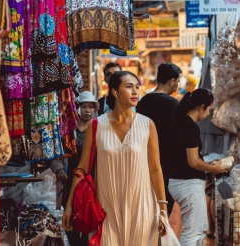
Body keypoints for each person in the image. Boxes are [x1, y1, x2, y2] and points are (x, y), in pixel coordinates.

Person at [63, 71, 168, 245]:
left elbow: (156, 169)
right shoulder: (96, 125)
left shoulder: (147, 125)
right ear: (114, 91)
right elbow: (82, 168)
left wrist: (163, 209)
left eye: (137, 87)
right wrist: (69, 206)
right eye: (128, 87)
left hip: (141, 205)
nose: (135, 92)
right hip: (106, 207)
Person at [168, 89, 227, 245]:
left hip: (178, 181)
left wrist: (208, 165)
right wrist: (216, 168)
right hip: (187, 183)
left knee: (198, 228)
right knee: (193, 232)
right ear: (201, 107)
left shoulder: (179, 121)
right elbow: (193, 161)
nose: (208, 113)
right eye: (208, 109)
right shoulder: (190, 126)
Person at [51, 91, 99, 246]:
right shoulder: (68, 131)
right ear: (77, 108)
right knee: (70, 217)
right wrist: (58, 169)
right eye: (84, 106)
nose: (87, 110)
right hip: (70, 180)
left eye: (90, 107)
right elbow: (56, 153)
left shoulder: (99, 130)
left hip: (91, 182)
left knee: (88, 216)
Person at [136, 62, 182, 216]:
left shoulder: (143, 102)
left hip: (144, 159)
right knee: (163, 206)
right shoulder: (173, 104)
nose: (177, 85)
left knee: (146, 204)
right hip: (166, 163)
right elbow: (177, 136)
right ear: (172, 81)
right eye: (178, 81)